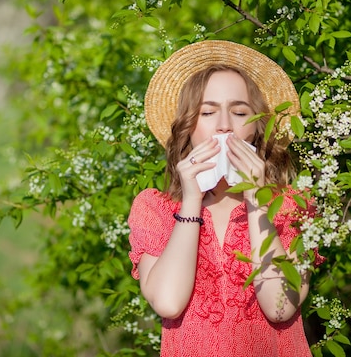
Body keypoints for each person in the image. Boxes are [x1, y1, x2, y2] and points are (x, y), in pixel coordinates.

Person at [127, 40, 321, 357]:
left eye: (239, 111)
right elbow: (168, 302)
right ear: (187, 127)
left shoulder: (291, 205)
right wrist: (191, 201)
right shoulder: (155, 209)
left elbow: (280, 307)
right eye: (207, 112)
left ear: (258, 128)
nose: (223, 126)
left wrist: (258, 201)